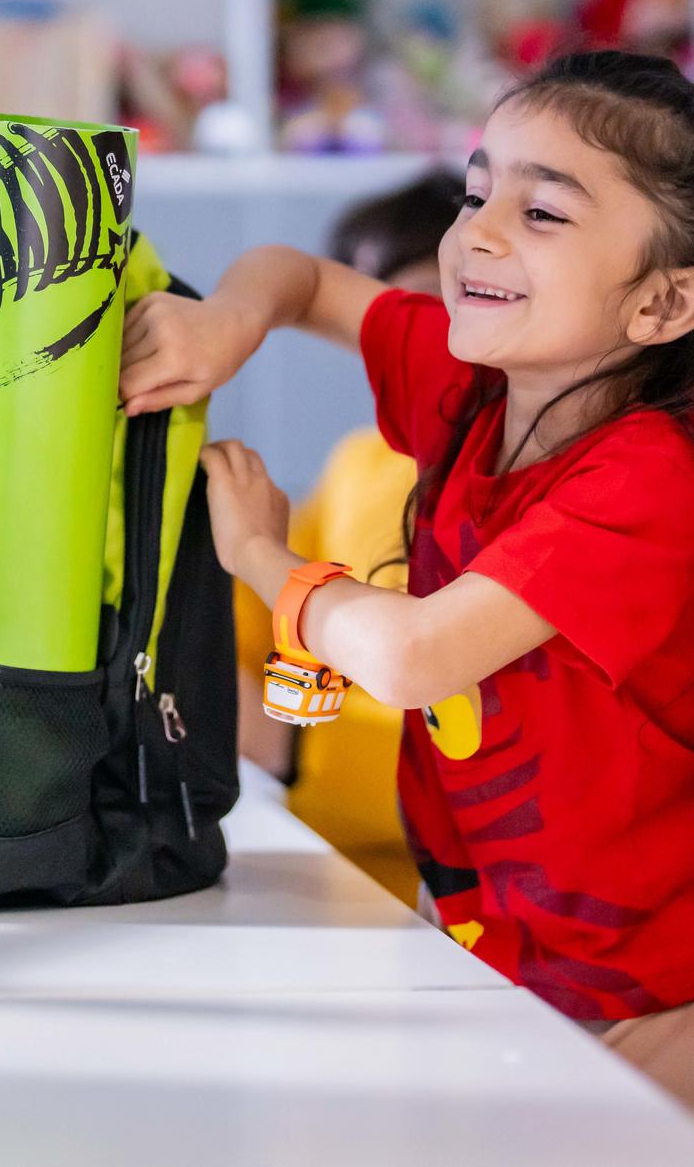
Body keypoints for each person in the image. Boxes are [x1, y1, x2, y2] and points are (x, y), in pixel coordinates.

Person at [122, 51, 694, 1123]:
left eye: (543, 213)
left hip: (627, 1007)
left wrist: (262, 559)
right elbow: (301, 275)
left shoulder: (661, 473)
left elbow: (415, 652)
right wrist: (229, 322)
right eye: (479, 189)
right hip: (489, 955)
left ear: (665, 301)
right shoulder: (478, 393)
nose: (477, 230)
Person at [232, 171, 462, 902]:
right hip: (322, 869)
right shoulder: (363, 459)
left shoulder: (480, 481)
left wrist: (292, 744)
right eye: (366, 315)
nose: (397, 339)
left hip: (407, 893)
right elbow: (268, 621)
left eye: (423, 303)